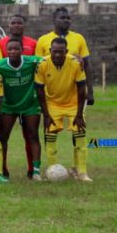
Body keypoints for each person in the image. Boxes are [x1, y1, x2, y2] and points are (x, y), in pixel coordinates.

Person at [35, 38, 91, 182]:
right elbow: (39, 90)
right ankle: (52, 170)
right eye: (55, 52)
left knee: (80, 135)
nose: (58, 55)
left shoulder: (75, 63)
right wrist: (46, 115)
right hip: (53, 104)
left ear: (66, 51)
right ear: (50, 51)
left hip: (73, 104)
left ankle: (82, 172)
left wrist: (79, 114)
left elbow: (82, 89)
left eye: (61, 52)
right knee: (50, 136)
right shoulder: (42, 64)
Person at [0, 38, 42, 180]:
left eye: (16, 49)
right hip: (9, 106)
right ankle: (2, 170)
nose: (13, 52)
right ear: (6, 51)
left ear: (22, 50)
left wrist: (76, 58)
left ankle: (36, 171)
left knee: (33, 135)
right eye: (10, 49)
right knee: (3, 137)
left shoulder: (32, 61)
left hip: (29, 105)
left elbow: (50, 59)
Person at [0, 14, 38, 178]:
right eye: (13, 22)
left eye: (19, 23)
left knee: (30, 135)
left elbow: (43, 62)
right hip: (8, 98)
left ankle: (33, 169)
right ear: (8, 25)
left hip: (28, 97)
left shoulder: (33, 43)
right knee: (3, 136)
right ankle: (2, 169)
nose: (16, 25)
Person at [35, 7, 95, 105]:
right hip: (51, 94)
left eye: (68, 18)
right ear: (54, 20)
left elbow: (87, 65)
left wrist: (90, 92)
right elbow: (38, 67)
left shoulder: (79, 38)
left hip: (75, 93)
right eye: (62, 18)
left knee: (77, 115)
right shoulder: (43, 40)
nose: (66, 20)